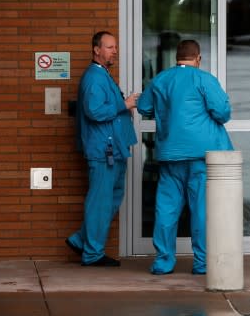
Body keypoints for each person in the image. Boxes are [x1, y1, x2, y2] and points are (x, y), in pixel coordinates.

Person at [137, 39, 233, 275]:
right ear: (198, 58)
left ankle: (163, 261)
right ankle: (201, 263)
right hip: (201, 156)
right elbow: (222, 113)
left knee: (167, 209)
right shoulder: (204, 79)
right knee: (201, 210)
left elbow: (143, 107)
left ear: (176, 58)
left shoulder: (160, 79)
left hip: (170, 155)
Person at [66, 31, 138, 267]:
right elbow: (94, 112)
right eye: (109, 47)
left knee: (112, 198)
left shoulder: (104, 75)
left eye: (115, 47)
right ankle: (92, 253)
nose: (114, 51)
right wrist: (124, 104)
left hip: (114, 149)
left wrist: (122, 107)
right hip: (103, 150)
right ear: (96, 50)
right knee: (101, 201)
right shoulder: (94, 77)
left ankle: (81, 240)